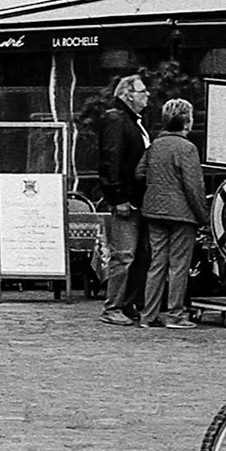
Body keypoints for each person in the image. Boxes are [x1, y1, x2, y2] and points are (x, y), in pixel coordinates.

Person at [135, 98, 209, 331]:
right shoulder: (187, 148)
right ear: (187, 122)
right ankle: (175, 314)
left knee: (157, 263)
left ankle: (148, 314)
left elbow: (139, 173)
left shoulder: (155, 145)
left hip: (154, 211)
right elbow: (193, 187)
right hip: (182, 213)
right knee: (179, 265)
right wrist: (203, 217)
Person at [95, 75, 151, 326]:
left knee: (139, 254)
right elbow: (111, 160)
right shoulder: (117, 120)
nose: (147, 95)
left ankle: (128, 302)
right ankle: (113, 306)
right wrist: (118, 197)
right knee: (124, 255)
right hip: (128, 198)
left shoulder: (132, 122)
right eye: (142, 91)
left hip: (138, 198)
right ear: (128, 95)